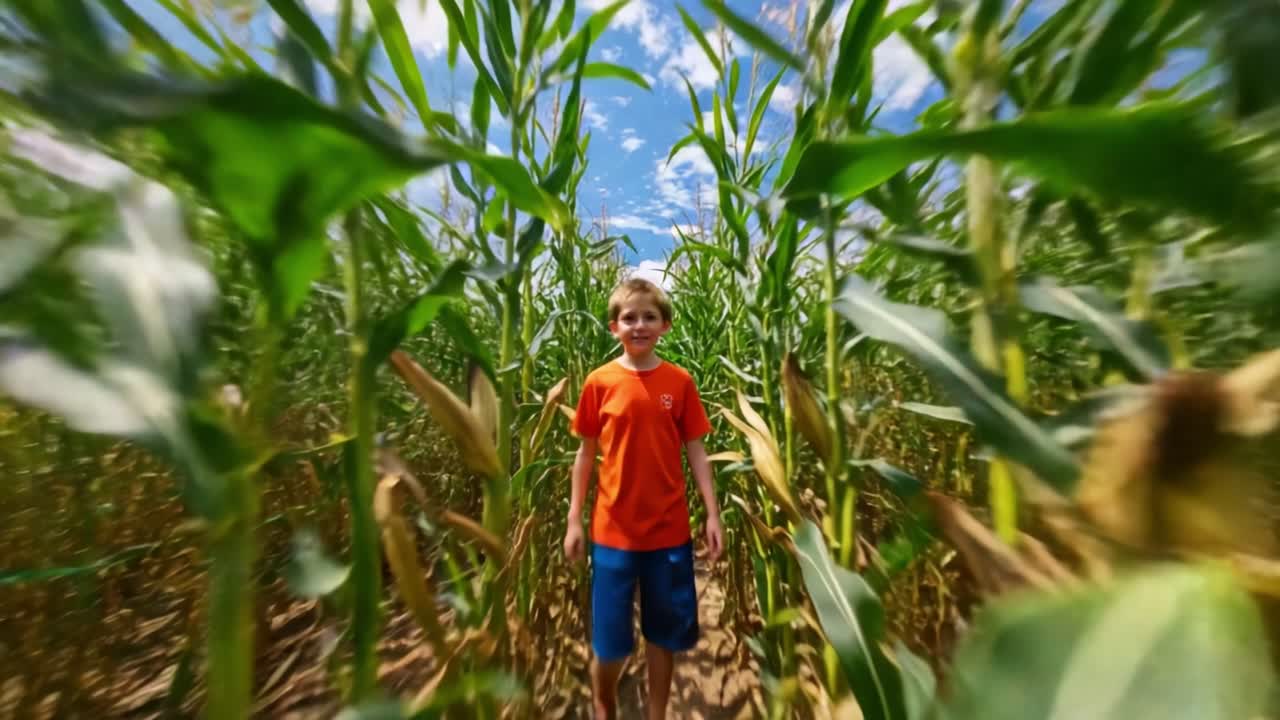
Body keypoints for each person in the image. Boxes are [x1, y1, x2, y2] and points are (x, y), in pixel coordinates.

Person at [563, 276, 723, 720]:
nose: (639, 325)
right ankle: (604, 702)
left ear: (665, 325)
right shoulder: (599, 383)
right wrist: (574, 519)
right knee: (611, 644)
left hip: (669, 535)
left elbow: (696, 450)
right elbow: (585, 455)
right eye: (629, 317)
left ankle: (656, 713)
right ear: (613, 327)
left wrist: (712, 514)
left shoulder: (680, 382)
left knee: (663, 637)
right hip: (613, 535)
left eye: (649, 317)